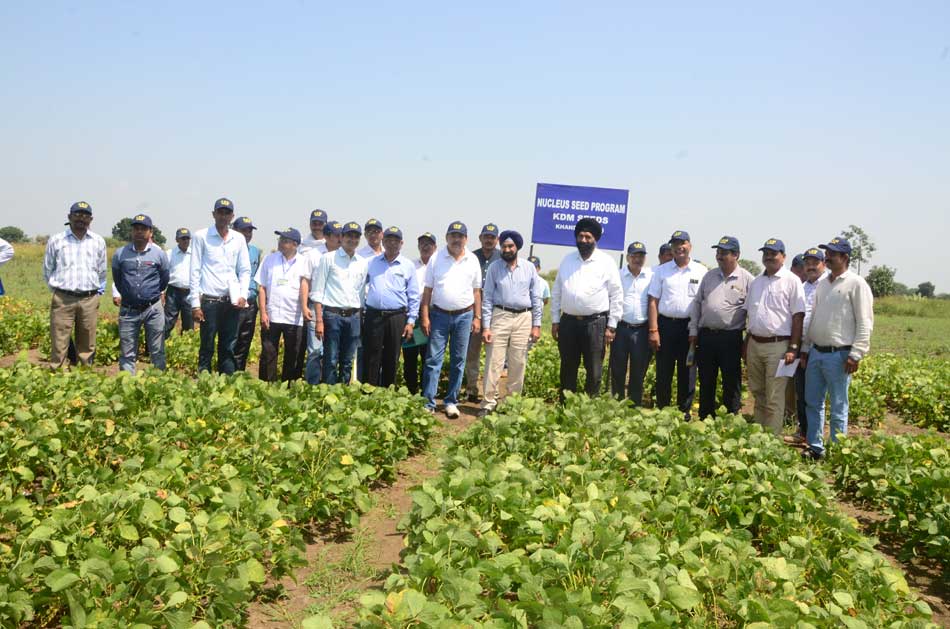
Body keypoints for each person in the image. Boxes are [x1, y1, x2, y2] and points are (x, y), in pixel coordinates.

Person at [801, 237, 874, 460]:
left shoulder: (856, 283)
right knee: (813, 403)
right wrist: (806, 348)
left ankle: (836, 451)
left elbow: (865, 321)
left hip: (839, 354)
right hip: (816, 352)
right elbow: (813, 317)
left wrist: (856, 353)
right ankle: (815, 447)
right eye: (827, 253)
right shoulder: (823, 284)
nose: (828, 257)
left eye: (832, 254)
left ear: (845, 257)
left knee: (838, 406)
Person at [551, 218, 623, 399]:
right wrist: (555, 320)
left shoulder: (606, 262)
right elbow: (557, 291)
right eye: (580, 236)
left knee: (594, 369)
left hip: (595, 324)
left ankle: (590, 407)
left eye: (588, 237)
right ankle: (566, 406)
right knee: (567, 367)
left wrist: (612, 326)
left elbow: (616, 294)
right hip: (568, 323)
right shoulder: (567, 260)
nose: (583, 240)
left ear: (595, 239)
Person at [419, 221, 482, 418]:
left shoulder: (472, 260)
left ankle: (451, 401)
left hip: (464, 316)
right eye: (453, 235)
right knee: (433, 360)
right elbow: (427, 291)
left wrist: (477, 317)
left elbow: (477, 292)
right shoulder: (436, 258)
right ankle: (428, 402)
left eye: (460, 236)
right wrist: (425, 316)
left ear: (466, 239)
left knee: (458, 360)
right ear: (446, 238)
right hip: (439, 315)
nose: (456, 239)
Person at [688, 236, 754, 419]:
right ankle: (705, 418)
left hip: (730, 338)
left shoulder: (747, 279)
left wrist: (748, 340)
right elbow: (697, 304)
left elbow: (753, 312)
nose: (719, 256)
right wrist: (693, 330)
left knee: (731, 380)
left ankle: (730, 418)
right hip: (707, 336)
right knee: (706, 379)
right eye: (718, 252)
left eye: (724, 252)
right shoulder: (709, 276)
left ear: (736, 255)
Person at [744, 238, 805, 435]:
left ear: (783, 256)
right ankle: (759, 436)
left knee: (774, 396)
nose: (769, 257)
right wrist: (746, 344)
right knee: (758, 392)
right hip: (755, 343)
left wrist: (793, 348)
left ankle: (771, 440)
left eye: (773, 253)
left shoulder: (792, 281)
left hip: (779, 346)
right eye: (766, 253)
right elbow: (750, 316)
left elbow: (798, 317)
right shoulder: (756, 282)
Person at [480, 230, 542, 415]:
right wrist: (486, 327)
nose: (507, 249)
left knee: (518, 362)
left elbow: (536, 297)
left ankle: (512, 404)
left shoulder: (529, 268)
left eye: (510, 246)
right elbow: (487, 298)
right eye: (504, 246)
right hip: (500, 315)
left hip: (524, 318)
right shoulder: (494, 268)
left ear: (517, 248)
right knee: (494, 361)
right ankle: (488, 403)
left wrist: (536, 325)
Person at [647, 230, 706, 419]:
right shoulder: (661, 271)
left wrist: (697, 330)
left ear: (690, 246)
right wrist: (654, 330)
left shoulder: (701, 271)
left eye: (682, 243)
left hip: (689, 328)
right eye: (675, 244)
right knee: (663, 371)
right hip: (665, 327)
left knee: (687, 373)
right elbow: (653, 301)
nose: (679, 247)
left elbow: (704, 302)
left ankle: (684, 413)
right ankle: (662, 412)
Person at [189, 197, 251, 375]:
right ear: (213, 214)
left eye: (227, 213)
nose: (223, 216)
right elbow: (194, 271)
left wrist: (243, 295)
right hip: (209, 301)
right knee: (206, 345)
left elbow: (245, 270)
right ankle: (205, 383)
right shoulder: (201, 236)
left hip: (231, 302)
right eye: (220, 212)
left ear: (232, 216)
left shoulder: (238, 239)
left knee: (228, 346)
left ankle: (226, 385)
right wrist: (195, 304)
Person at [44, 201, 107, 368]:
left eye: (86, 215)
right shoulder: (56, 240)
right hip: (63, 298)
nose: (81, 218)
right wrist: (59, 291)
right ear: (69, 217)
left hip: (89, 298)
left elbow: (102, 271)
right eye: (77, 214)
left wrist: (96, 292)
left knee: (87, 340)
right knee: (59, 338)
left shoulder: (98, 241)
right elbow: (48, 269)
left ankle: (84, 372)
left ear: (91, 219)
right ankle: (58, 371)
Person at [312, 221, 369, 384]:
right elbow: (317, 291)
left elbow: (361, 294)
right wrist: (319, 321)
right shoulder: (328, 258)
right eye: (349, 236)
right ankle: (329, 392)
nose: (352, 240)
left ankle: (344, 392)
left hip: (354, 317)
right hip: (332, 315)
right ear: (342, 237)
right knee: (330, 358)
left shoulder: (362, 263)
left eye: (356, 236)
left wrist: (360, 319)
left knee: (348, 360)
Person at [363, 226, 420, 387]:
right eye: (388, 240)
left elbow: (414, 296)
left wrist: (411, 321)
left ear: (401, 243)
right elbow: (360, 286)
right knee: (371, 355)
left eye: (396, 240)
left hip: (396, 317)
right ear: (383, 241)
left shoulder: (407, 265)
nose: (392, 243)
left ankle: (388, 393)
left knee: (392, 356)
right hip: (374, 315)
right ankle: (369, 392)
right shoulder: (372, 262)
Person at [112, 215, 169, 374]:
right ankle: (128, 382)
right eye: (136, 228)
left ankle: (158, 381)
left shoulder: (159, 254)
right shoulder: (120, 254)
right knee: (127, 351)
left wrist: (151, 294)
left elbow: (164, 279)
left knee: (157, 350)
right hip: (128, 310)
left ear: (150, 232)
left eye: (143, 229)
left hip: (153, 308)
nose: (139, 232)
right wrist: (130, 294)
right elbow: (118, 279)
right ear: (131, 231)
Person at [256, 228, 306, 382]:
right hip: (272, 316)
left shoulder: (304, 262)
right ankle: (267, 386)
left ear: (295, 244)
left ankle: (289, 387)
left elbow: (306, 287)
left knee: (293, 355)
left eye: (285, 241)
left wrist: (305, 309)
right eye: (280, 240)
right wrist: (263, 312)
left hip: (294, 317)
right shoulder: (269, 260)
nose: (281, 243)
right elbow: (262, 287)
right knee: (268, 354)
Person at [609, 241, 653, 405]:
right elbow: (611, 299)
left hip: (641, 330)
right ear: (628, 257)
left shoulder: (651, 276)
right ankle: (617, 404)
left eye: (641, 256)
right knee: (618, 368)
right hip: (621, 328)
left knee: (638, 370)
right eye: (634, 256)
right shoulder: (617, 275)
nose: (637, 259)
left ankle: (634, 405)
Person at [300, 220, 343, 384]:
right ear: (326, 236)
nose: (339, 239)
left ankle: (330, 385)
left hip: (336, 308)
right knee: (315, 350)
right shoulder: (313, 254)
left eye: (341, 235)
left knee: (333, 350)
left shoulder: (344, 256)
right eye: (336, 235)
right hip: (315, 307)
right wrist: (304, 306)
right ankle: (312, 386)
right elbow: (305, 281)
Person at [794, 247, 829, 439]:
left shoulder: (827, 285)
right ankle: (804, 431)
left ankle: (816, 435)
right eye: (807, 263)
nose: (811, 267)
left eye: (815, 263)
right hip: (801, 347)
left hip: (818, 348)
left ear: (824, 264)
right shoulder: (802, 286)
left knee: (815, 396)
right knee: (802, 392)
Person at [464, 223, 501, 402]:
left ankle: (492, 391)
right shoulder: (471, 257)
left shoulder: (502, 258)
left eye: (492, 237)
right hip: (474, 311)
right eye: (486, 236)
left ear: (497, 239)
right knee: (472, 352)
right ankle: (472, 388)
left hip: (495, 312)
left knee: (494, 353)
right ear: (480, 238)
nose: (489, 240)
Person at [402, 232, 437, 394]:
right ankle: (411, 389)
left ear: (435, 247)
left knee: (428, 355)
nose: (425, 246)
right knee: (410, 355)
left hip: (433, 315)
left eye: (429, 243)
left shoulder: (439, 265)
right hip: (413, 315)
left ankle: (426, 390)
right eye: (422, 243)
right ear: (418, 246)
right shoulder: (411, 265)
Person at [232, 217, 262, 371]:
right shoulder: (230, 250)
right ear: (234, 231)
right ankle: (227, 373)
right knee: (232, 339)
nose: (247, 234)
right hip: (235, 303)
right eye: (244, 230)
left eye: (250, 231)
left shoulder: (255, 251)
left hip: (251, 303)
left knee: (245, 340)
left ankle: (239, 373)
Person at [164, 228, 193, 338]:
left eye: (187, 238)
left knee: (189, 324)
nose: (185, 241)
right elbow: (164, 273)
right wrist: (161, 292)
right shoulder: (169, 254)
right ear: (177, 239)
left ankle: (186, 345)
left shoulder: (194, 254)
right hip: (173, 292)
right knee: (168, 321)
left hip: (189, 292)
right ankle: (163, 344)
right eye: (183, 238)